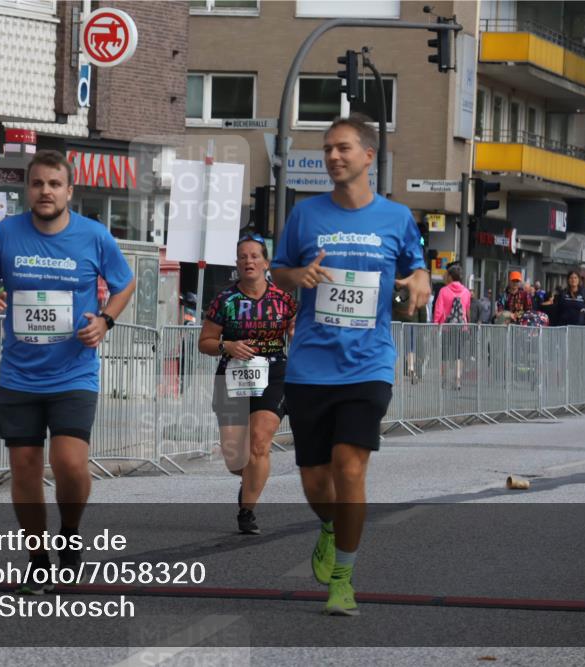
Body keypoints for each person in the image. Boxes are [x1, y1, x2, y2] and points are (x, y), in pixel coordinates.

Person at [271, 114, 430, 616]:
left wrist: (420, 280)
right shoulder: (305, 214)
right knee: (316, 482)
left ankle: (343, 577)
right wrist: (299, 274)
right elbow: (279, 271)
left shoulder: (396, 218)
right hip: (310, 365)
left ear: (368, 156)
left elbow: (417, 268)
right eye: (327, 149)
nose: (333, 157)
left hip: (368, 363)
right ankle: (330, 525)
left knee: (349, 466)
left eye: (342, 148)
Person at [0, 150, 135, 593]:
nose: (46, 191)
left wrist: (105, 320)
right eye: (38, 183)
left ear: (69, 191)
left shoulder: (94, 236)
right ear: (28, 189)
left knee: (69, 463)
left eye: (54, 184)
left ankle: (70, 533)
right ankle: (38, 559)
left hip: (73, 374)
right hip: (18, 374)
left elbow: (125, 283)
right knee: (25, 468)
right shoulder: (7, 233)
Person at [198, 232, 297, 535]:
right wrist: (227, 345)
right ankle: (249, 475)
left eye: (254, 256)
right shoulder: (224, 300)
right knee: (235, 460)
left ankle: (247, 511)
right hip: (233, 377)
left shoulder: (283, 300)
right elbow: (205, 342)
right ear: (237, 264)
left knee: (259, 444)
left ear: (266, 263)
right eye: (243, 257)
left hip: (273, 375)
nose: (248, 261)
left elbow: (297, 335)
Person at [433, 263, 471, 390]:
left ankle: (444, 380)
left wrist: (436, 325)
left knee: (444, 355)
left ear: (450, 276)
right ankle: (458, 380)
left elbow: (438, 310)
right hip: (461, 328)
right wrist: (468, 325)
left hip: (446, 328)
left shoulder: (444, 291)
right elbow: (467, 310)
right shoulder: (466, 292)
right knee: (458, 355)